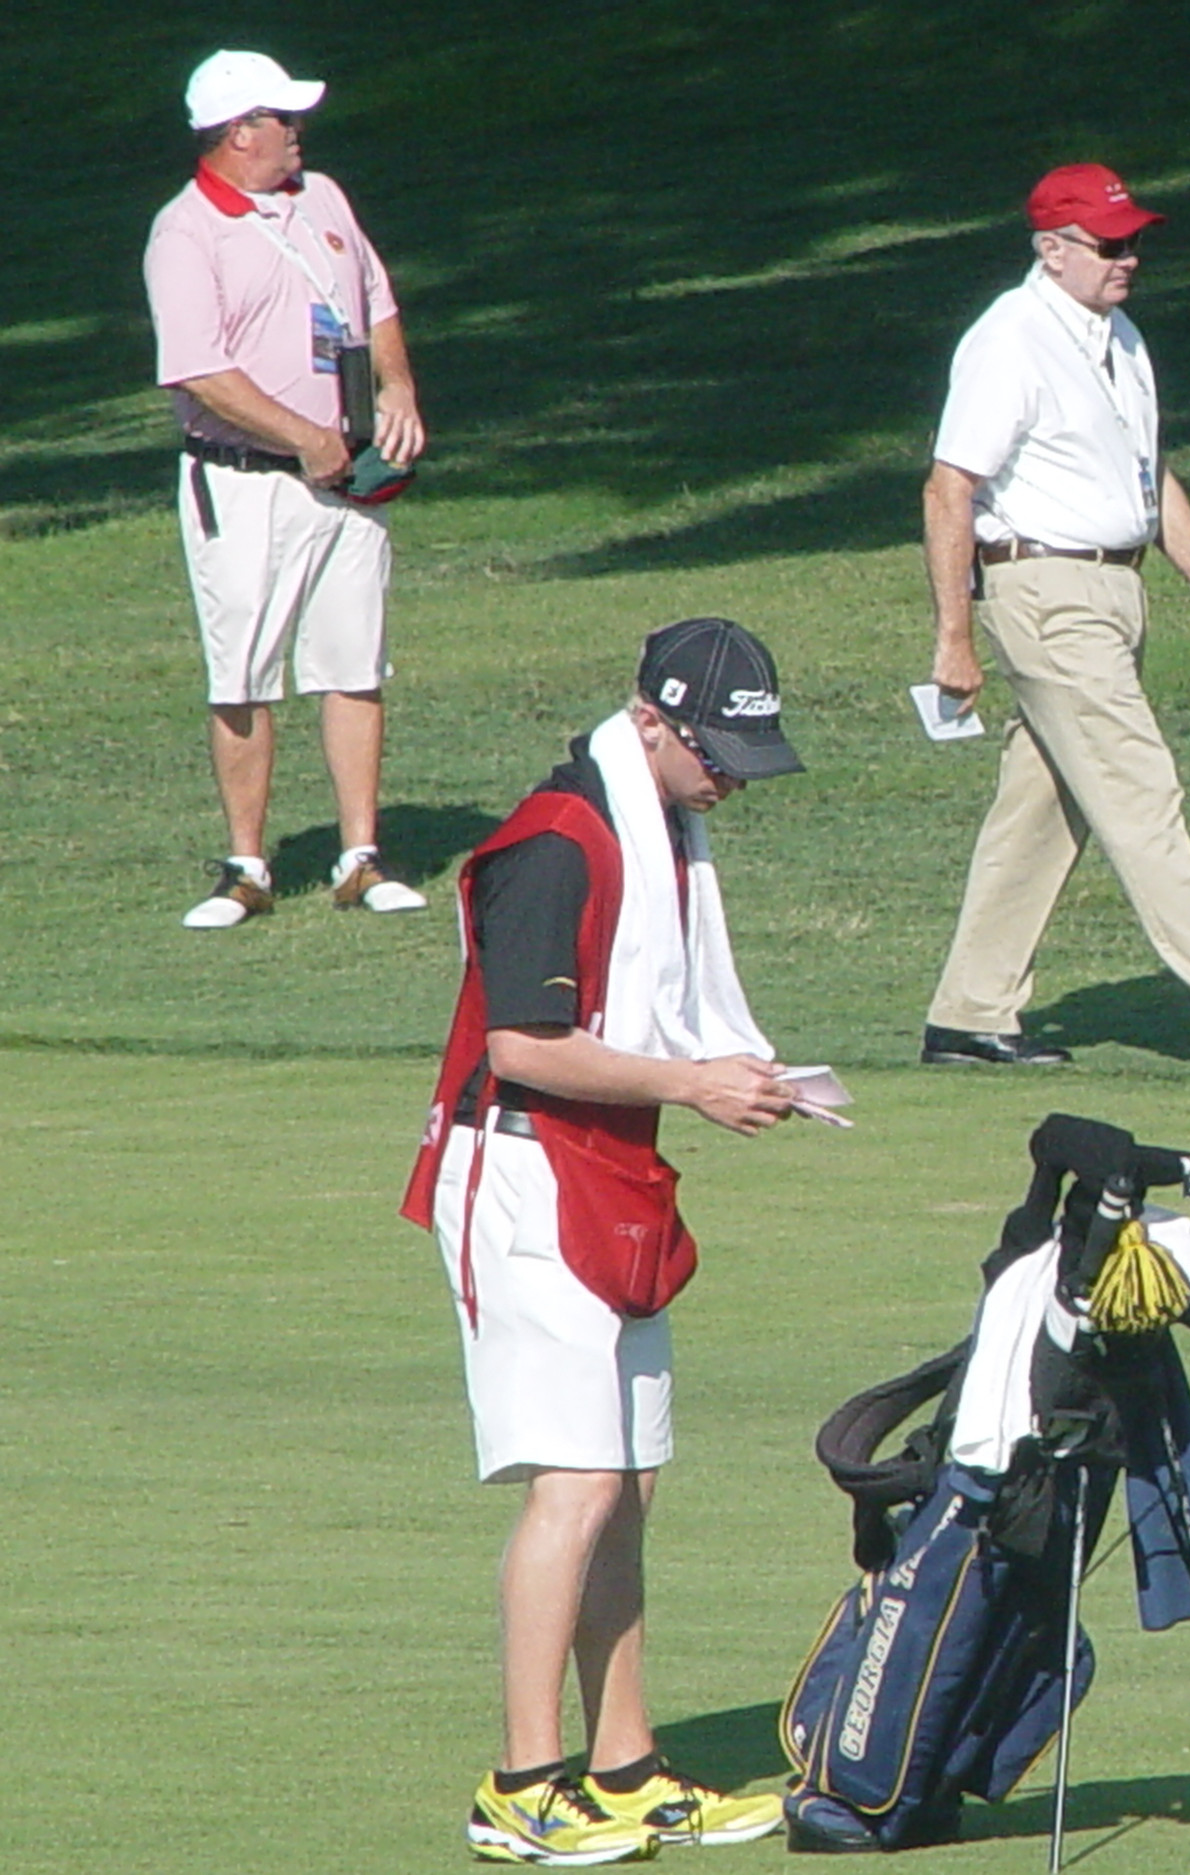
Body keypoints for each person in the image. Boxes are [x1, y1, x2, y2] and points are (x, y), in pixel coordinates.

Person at [402, 618, 803, 1863]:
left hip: (604, 1168)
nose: (732, 777)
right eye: (717, 750)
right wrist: (695, 1085)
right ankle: (522, 1781)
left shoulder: (658, 830)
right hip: (520, 1171)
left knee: (625, 1486)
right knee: (574, 1488)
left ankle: (623, 1765)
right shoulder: (556, 842)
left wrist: (703, 1081)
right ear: (649, 724)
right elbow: (520, 1045)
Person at [917, 162, 1190, 1070]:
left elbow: (1149, 476)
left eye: (1134, 239)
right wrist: (953, 637)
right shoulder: (1011, 339)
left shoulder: (1120, 335)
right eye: (1109, 243)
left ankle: (968, 1012)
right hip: (1042, 589)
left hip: (1115, 589)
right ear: (1051, 251)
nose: (1128, 257)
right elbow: (949, 489)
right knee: (1138, 783)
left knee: (1047, 808)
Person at [143, 49, 429, 930]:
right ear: (239, 133)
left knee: (353, 664)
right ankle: (247, 866)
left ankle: (360, 855)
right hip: (247, 482)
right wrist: (305, 438)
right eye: (281, 118)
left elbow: (373, 300)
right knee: (243, 676)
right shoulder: (186, 232)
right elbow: (200, 372)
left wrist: (398, 389)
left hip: (342, 476)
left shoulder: (324, 199)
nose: (297, 131)